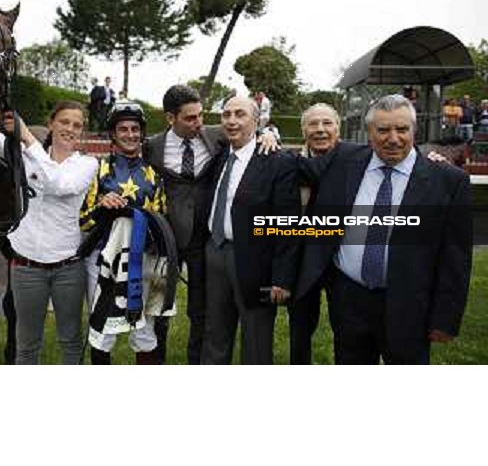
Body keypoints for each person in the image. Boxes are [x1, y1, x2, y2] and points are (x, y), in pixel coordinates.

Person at [296, 94, 472, 364]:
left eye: (402, 129)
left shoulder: (447, 181)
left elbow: (456, 257)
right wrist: (264, 141)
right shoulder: (344, 160)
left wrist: (445, 319)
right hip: (348, 300)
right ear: (368, 133)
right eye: (383, 130)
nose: (393, 138)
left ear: (414, 130)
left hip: (409, 305)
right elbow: (293, 168)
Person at [0, 58, 99, 365]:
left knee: (71, 340)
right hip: (26, 268)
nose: (70, 129)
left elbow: (60, 184)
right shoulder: (23, 154)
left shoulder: (87, 164)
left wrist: (27, 136)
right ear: (52, 123)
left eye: (77, 125)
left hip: (68, 268)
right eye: (64, 122)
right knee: (26, 344)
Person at [143, 85, 279, 364]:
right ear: (171, 119)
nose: (199, 123)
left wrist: (269, 134)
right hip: (164, 241)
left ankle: (197, 363)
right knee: (157, 308)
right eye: (190, 118)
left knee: (202, 311)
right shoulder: (152, 147)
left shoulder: (216, 136)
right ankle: (154, 361)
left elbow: (247, 130)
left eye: (201, 115)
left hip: (203, 240)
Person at [201, 96, 301, 365]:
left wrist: (282, 278)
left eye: (240, 114)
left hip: (255, 260)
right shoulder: (220, 154)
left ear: (256, 121)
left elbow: (288, 224)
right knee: (215, 332)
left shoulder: (278, 162)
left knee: (256, 338)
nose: (232, 121)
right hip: (215, 252)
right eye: (226, 114)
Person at [79, 102, 170, 365]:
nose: (130, 134)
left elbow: (162, 223)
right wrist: (101, 206)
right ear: (113, 134)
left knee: (144, 331)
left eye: (134, 129)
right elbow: (83, 222)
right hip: (101, 263)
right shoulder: (99, 170)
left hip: (141, 263)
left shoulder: (153, 176)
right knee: (102, 331)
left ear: (141, 133)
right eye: (123, 129)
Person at [288, 103, 340, 364]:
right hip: (302, 259)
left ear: (338, 129)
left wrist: (434, 160)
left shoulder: (356, 158)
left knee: (347, 330)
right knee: (300, 330)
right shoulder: (289, 163)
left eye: (327, 123)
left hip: (342, 259)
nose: (320, 130)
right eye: (313, 124)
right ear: (303, 130)